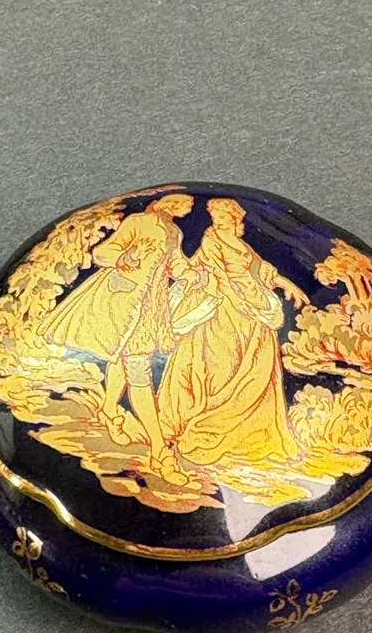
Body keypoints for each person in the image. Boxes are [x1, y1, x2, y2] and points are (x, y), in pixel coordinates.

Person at [41, 193, 201, 485]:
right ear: (168, 203)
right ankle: (159, 452)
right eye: (183, 203)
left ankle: (108, 410)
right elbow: (103, 253)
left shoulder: (174, 232)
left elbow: (175, 264)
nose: (188, 207)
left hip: (150, 306)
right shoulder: (139, 221)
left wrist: (190, 275)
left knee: (123, 358)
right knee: (139, 373)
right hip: (123, 300)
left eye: (188, 205)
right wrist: (124, 258)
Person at [159, 198, 309, 468]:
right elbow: (220, 277)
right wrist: (239, 302)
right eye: (216, 217)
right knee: (220, 363)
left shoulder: (240, 244)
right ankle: (205, 425)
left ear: (234, 219)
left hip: (251, 307)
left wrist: (287, 284)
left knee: (257, 363)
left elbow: (260, 269)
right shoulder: (212, 239)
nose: (218, 222)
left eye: (223, 218)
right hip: (223, 309)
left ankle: (245, 432)